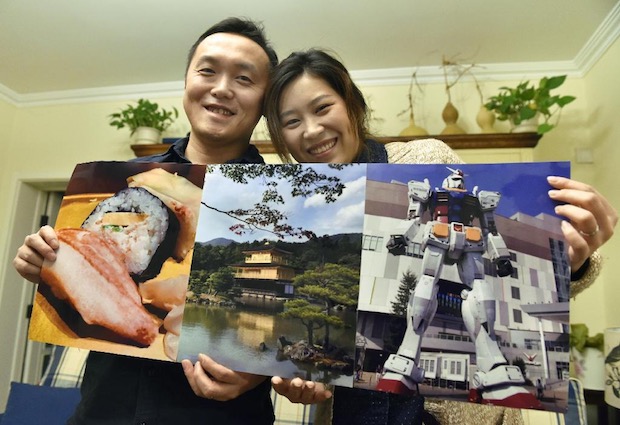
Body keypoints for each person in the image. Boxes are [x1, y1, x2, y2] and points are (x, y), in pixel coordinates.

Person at [263, 48, 618, 424]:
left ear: (351, 104)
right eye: (291, 121)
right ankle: (405, 357)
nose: (312, 130)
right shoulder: (314, 208)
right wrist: (310, 380)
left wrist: (571, 264)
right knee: (422, 291)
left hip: (448, 412)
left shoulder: (423, 157)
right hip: (355, 413)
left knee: (477, 292)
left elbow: (498, 236)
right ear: (281, 137)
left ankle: (492, 362)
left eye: (322, 108)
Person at [12, 18, 326, 425]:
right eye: (207, 70)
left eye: (244, 78)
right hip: (104, 412)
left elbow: (302, 330)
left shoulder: (288, 205)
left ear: (266, 102)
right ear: (186, 83)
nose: (221, 88)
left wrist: (262, 370)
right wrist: (45, 260)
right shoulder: (125, 181)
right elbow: (84, 274)